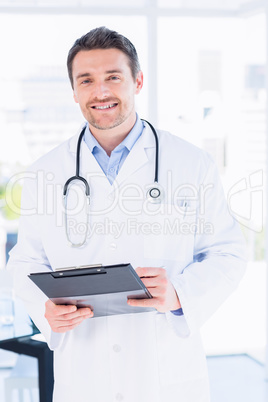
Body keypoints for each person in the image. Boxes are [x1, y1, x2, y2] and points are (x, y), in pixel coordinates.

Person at [7, 26, 246, 402]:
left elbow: (228, 251)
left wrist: (180, 294)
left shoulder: (191, 164)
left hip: (166, 376)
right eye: (86, 80)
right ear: (73, 92)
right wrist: (45, 310)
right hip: (83, 376)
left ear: (137, 81)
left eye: (112, 77)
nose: (100, 92)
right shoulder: (45, 173)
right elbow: (24, 260)